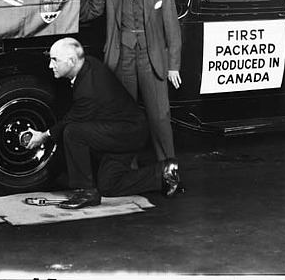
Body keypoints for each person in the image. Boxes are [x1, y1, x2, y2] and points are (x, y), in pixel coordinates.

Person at [25, 38, 182, 209]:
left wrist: (43, 136)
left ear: (71, 61)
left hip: (127, 133)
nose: (50, 65)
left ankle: (86, 191)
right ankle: (163, 172)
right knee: (109, 186)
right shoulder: (88, 64)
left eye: (54, 59)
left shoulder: (88, 87)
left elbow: (71, 120)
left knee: (72, 132)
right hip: (118, 131)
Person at [80, 0, 182, 169]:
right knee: (124, 119)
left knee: (159, 118)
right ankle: (127, 169)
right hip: (121, 58)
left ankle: (169, 170)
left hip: (152, 59)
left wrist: (173, 65)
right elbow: (87, 12)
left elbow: (172, 28)